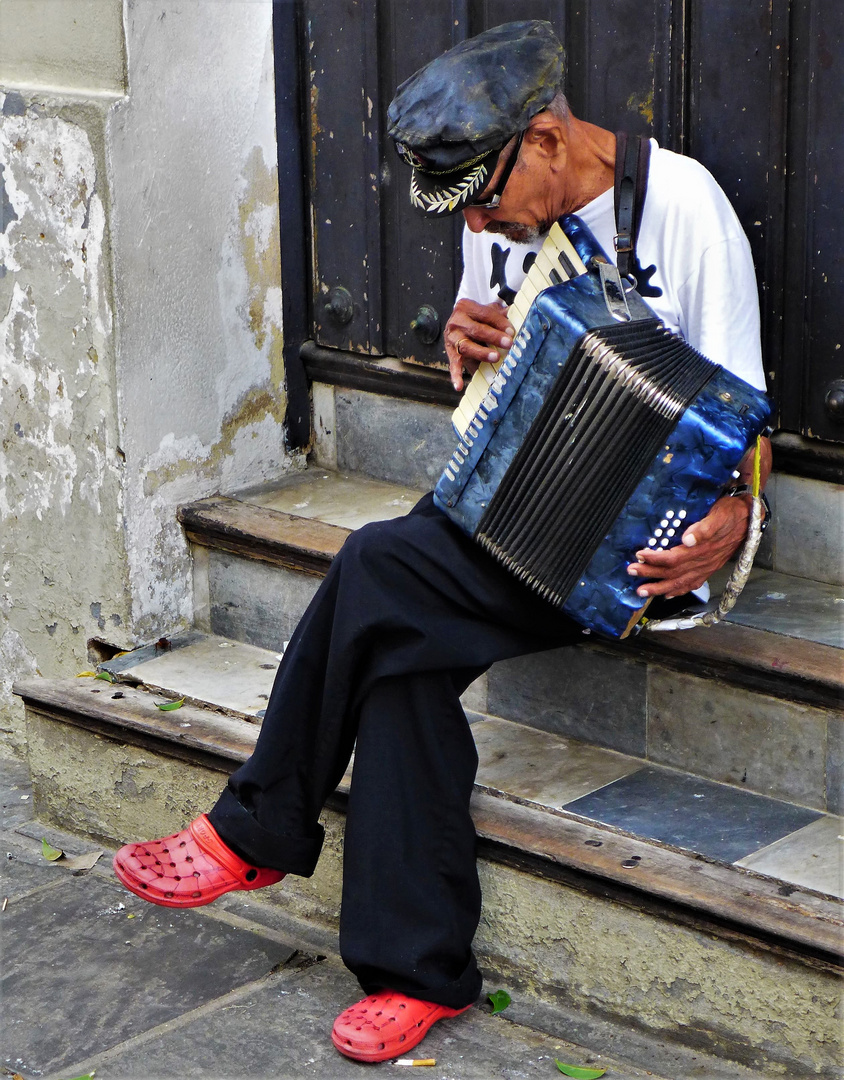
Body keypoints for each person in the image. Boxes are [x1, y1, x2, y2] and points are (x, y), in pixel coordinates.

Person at [113, 20, 770, 1064]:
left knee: (375, 568)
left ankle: (257, 830)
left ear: (546, 139)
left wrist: (733, 523)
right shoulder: (494, 218)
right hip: (507, 517)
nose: (478, 220)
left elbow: (747, 430)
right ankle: (415, 977)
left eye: (487, 194)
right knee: (397, 663)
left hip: (629, 557)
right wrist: (459, 356)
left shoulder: (684, 205)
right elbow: (491, 392)